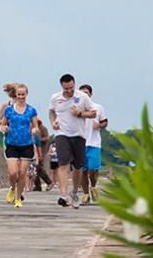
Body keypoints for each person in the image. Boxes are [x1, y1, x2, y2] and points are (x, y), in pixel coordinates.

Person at [48, 74, 96, 209]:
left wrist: (80, 114)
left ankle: (74, 192)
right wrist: (53, 122)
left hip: (79, 135)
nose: (69, 91)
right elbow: (51, 111)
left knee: (78, 166)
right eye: (66, 88)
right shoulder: (56, 98)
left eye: (71, 88)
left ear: (74, 84)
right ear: (62, 86)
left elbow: (93, 113)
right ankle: (64, 194)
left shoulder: (82, 97)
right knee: (62, 164)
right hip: (61, 134)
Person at [0, 83, 39, 208]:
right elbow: (2, 123)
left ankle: (18, 198)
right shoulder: (9, 109)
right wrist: (4, 127)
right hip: (12, 143)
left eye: (23, 94)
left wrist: (34, 130)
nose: (21, 97)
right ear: (15, 94)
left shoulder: (31, 110)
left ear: (27, 94)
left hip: (26, 144)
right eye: (19, 94)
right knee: (12, 172)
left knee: (22, 173)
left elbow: (36, 126)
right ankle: (12, 188)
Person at [78, 84, 108, 205]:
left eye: (86, 93)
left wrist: (99, 126)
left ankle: (93, 187)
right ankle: (85, 195)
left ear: (91, 94)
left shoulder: (97, 107)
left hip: (94, 143)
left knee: (93, 168)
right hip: (80, 143)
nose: (84, 95)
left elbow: (105, 122)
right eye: (82, 93)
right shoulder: (76, 108)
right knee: (82, 171)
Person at [32, 121, 53, 191]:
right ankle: (37, 185)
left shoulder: (43, 128)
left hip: (41, 150)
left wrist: (38, 140)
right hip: (35, 151)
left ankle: (49, 182)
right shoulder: (33, 128)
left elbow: (47, 138)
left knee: (39, 168)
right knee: (35, 168)